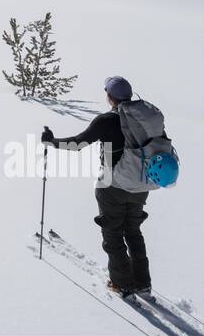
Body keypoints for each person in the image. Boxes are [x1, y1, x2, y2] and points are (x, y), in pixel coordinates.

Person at [41, 76, 152, 298]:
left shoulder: (106, 121)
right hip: (142, 184)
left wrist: (51, 142)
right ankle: (142, 283)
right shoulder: (145, 118)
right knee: (133, 231)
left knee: (112, 233)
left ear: (110, 97)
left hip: (112, 184)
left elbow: (78, 143)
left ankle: (122, 284)